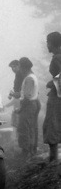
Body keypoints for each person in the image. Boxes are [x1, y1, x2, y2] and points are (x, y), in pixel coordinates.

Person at [16, 57, 40, 157]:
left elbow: (27, 96)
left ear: (23, 67)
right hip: (32, 104)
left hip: (28, 106)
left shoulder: (29, 78)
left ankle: (26, 152)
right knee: (30, 128)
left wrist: (20, 109)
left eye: (20, 67)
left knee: (24, 129)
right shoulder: (32, 76)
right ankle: (31, 150)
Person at [43, 32, 61, 162]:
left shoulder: (57, 58)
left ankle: (53, 157)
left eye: (47, 42)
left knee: (51, 124)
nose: (46, 45)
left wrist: (52, 83)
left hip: (57, 97)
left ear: (52, 43)